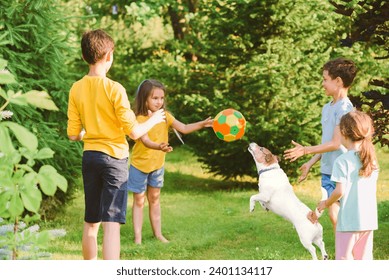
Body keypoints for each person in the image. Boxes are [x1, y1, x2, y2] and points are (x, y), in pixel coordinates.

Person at [67, 29, 166, 260]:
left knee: (91, 221)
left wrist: (90, 132)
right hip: (114, 160)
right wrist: (153, 119)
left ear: (84, 57)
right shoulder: (115, 88)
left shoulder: (76, 88)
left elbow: (73, 134)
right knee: (111, 223)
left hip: (90, 157)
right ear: (109, 56)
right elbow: (134, 132)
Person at [127, 79, 213, 244]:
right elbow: (144, 140)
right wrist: (159, 146)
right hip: (140, 165)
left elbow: (185, 128)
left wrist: (203, 124)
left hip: (157, 166)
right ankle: (137, 238)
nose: (159, 102)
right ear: (145, 98)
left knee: (155, 199)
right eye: (155, 98)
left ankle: (158, 234)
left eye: (161, 98)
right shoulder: (139, 118)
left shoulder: (165, 116)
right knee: (139, 200)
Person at [284, 58, 357, 231]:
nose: (322, 83)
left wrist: (305, 151)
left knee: (338, 217)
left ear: (338, 81)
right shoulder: (327, 107)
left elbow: (336, 143)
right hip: (327, 172)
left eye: (325, 79)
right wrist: (310, 163)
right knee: (335, 218)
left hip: (342, 171)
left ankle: (348, 254)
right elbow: (327, 143)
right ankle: (345, 254)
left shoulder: (345, 108)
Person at [309, 111, 379, 260]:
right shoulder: (371, 159)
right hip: (368, 221)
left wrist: (325, 203)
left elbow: (340, 191)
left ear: (343, 133)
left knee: (344, 262)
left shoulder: (342, 160)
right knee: (364, 261)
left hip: (348, 222)